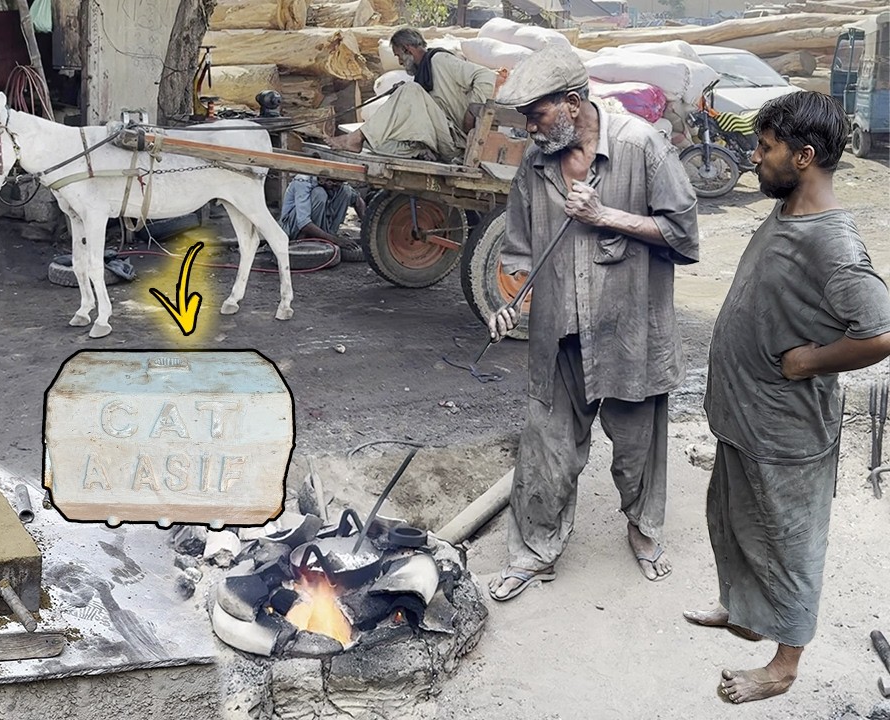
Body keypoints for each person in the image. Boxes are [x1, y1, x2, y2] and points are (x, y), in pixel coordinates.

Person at [684, 92, 890, 704]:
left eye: (766, 148)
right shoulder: (787, 213)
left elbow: (880, 333)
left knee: (790, 546)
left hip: (786, 432)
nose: (753, 157)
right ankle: (745, 615)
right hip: (745, 419)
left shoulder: (835, 246)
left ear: (803, 157)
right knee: (733, 521)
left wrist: (812, 360)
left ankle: (783, 667)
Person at [485, 44, 700, 602]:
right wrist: (507, 302)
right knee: (546, 449)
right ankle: (535, 551)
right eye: (524, 117)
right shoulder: (534, 166)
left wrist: (604, 215)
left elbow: (683, 233)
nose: (528, 128)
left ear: (574, 104)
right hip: (559, 337)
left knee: (637, 449)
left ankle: (643, 531)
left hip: (629, 330)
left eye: (536, 114)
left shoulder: (641, 145)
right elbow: (515, 252)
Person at [326, 27, 496, 161]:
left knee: (409, 90)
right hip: (440, 135)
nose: (399, 61)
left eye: (398, 55)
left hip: (457, 140)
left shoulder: (440, 60)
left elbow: (486, 76)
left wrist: (473, 111)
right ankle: (420, 152)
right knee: (380, 144)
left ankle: (355, 138)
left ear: (408, 49)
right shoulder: (422, 73)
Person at [278, 174, 365, 248]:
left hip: (321, 227)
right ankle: (306, 240)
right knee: (319, 193)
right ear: (323, 179)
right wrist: (337, 241)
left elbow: (358, 201)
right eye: (333, 184)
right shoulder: (302, 181)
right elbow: (304, 224)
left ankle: (328, 236)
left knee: (346, 191)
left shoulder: (337, 184)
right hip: (294, 229)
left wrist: (368, 231)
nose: (335, 187)